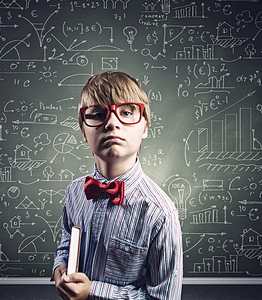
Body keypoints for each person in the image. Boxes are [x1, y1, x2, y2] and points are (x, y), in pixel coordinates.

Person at [52, 71, 183, 299]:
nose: (112, 123)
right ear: (84, 131)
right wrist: (59, 267)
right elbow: (67, 238)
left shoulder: (159, 213)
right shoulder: (74, 192)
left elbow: (164, 297)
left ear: (144, 128)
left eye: (126, 112)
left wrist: (93, 290)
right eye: (98, 114)